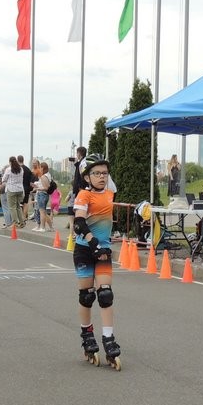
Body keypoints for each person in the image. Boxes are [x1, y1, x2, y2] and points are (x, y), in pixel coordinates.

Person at [72, 156, 121, 367]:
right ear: (86, 177)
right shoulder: (84, 195)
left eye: (104, 173)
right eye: (96, 173)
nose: (102, 177)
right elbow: (80, 223)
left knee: (105, 293)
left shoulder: (110, 193)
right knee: (87, 296)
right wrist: (93, 243)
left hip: (103, 251)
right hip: (85, 250)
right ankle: (87, 335)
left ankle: (109, 339)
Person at [2, 156, 26, 228]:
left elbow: (4, 179)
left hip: (11, 189)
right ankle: (22, 222)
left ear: (10, 162)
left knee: (12, 207)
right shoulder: (21, 169)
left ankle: (15, 222)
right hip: (20, 189)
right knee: (18, 206)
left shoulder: (8, 169)